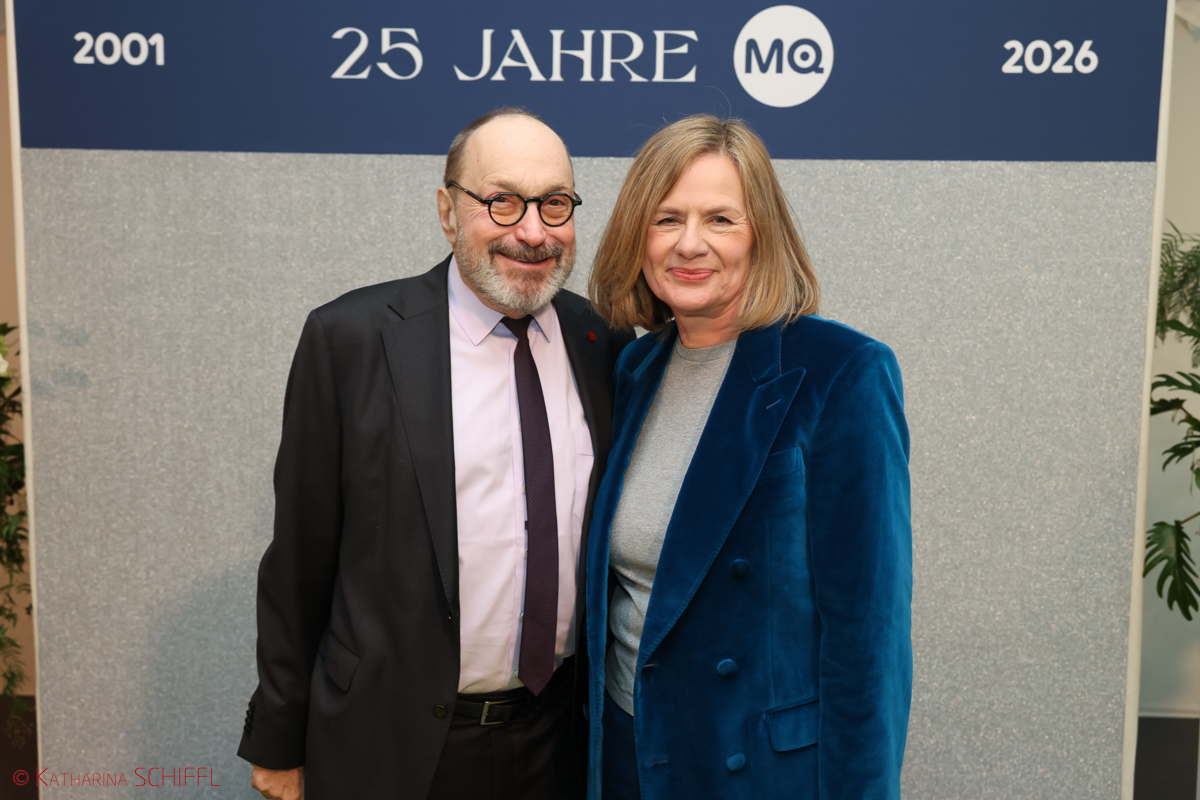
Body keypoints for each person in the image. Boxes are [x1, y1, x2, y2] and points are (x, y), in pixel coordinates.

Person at [237, 108, 633, 800]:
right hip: (390, 743)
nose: (532, 232)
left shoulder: (603, 341)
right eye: (502, 201)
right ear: (448, 213)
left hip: (559, 744)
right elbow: (300, 559)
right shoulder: (351, 341)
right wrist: (278, 736)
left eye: (554, 203)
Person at [585, 114, 912, 800]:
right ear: (637, 235)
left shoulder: (841, 371)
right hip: (628, 756)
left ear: (761, 233)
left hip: (754, 772)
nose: (690, 243)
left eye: (720, 219)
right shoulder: (637, 368)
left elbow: (867, 638)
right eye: (667, 218)